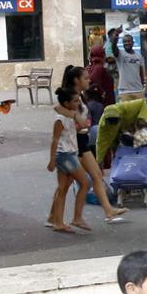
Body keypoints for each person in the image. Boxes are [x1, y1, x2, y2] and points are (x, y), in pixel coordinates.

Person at [53, 65, 129, 226]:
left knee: (94, 176)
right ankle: (60, 218)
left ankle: (107, 211)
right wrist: (76, 118)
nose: (90, 80)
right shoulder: (71, 95)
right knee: (67, 185)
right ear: (76, 80)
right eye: (86, 78)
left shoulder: (79, 95)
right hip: (73, 145)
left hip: (80, 142)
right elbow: (58, 109)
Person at [47, 88, 91, 234]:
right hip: (66, 156)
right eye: (75, 101)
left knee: (63, 188)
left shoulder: (69, 117)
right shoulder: (60, 119)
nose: (78, 103)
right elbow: (55, 140)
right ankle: (76, 217)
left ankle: (57, 221)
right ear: (66, 103)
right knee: (84, 183)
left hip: (67, 154)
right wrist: (52, 160)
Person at [95, 98, 147, 165]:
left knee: (142, 141)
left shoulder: (127, 107)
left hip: (133, 124)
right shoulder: (103, 126)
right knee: (117, 149)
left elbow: (143, 103)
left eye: (115, 122)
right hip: (115, 135)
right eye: (112, 123)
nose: (114, 124)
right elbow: (101, 143)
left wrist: (141, 118)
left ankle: (145, 158)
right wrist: (98, 161)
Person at [115, 33, 147, 102]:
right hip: (124, 92)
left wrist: (143, 87)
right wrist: (116, 36)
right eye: (124, 42)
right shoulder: (120, 54)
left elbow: (141, 72)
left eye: (128, 41)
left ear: (132, 42)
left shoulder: (139, 56)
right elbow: (114, 47)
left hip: (138, 90)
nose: (127, 43)